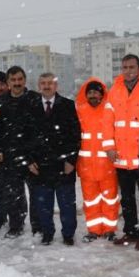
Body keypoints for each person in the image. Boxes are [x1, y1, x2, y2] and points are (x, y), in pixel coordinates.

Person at [102, 54, 139, 251]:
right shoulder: (115, 90)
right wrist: (109, 147)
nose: (128, 70)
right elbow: (107, 121)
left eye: (132, 67)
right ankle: (130, 230)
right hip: (121, 156)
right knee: (126, 198)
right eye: (124, 67)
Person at [28, 72, 81, 246]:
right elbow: (25, 137)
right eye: (43, 83)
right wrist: (29, 160)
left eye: (50, 83)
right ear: (38, 86)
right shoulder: (32, 107)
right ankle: (47, 233)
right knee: (43, 205)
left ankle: (68, 234)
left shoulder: (67, 105)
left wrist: (71, 161)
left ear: (56, 85)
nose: (46, 86)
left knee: (66, 205)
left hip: (63, 165)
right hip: (40, 166)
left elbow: (75, 136)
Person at [0, 66, 39, 238]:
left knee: (36, 194)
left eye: (20, 79)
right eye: (13, 80)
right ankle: (16, 226)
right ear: (8, 83)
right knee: (14, 195)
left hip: (31, 156)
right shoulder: (3, 101)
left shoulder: (34, 99)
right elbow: (2, 128)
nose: (17, 83)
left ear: (25, 80)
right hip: (11, 155)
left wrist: (33, 156)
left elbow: (38, 130)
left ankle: (38, 226)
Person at [75, 78, 119, 243]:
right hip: (87, 167)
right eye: (90, 92)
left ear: (102, 94)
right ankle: (93, 230)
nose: (93, 95)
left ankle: (109, 230)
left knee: (110, 200)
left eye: (96, 92)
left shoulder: (109, 110)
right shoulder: (80, 111)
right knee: (91, 201)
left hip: (107, 166)